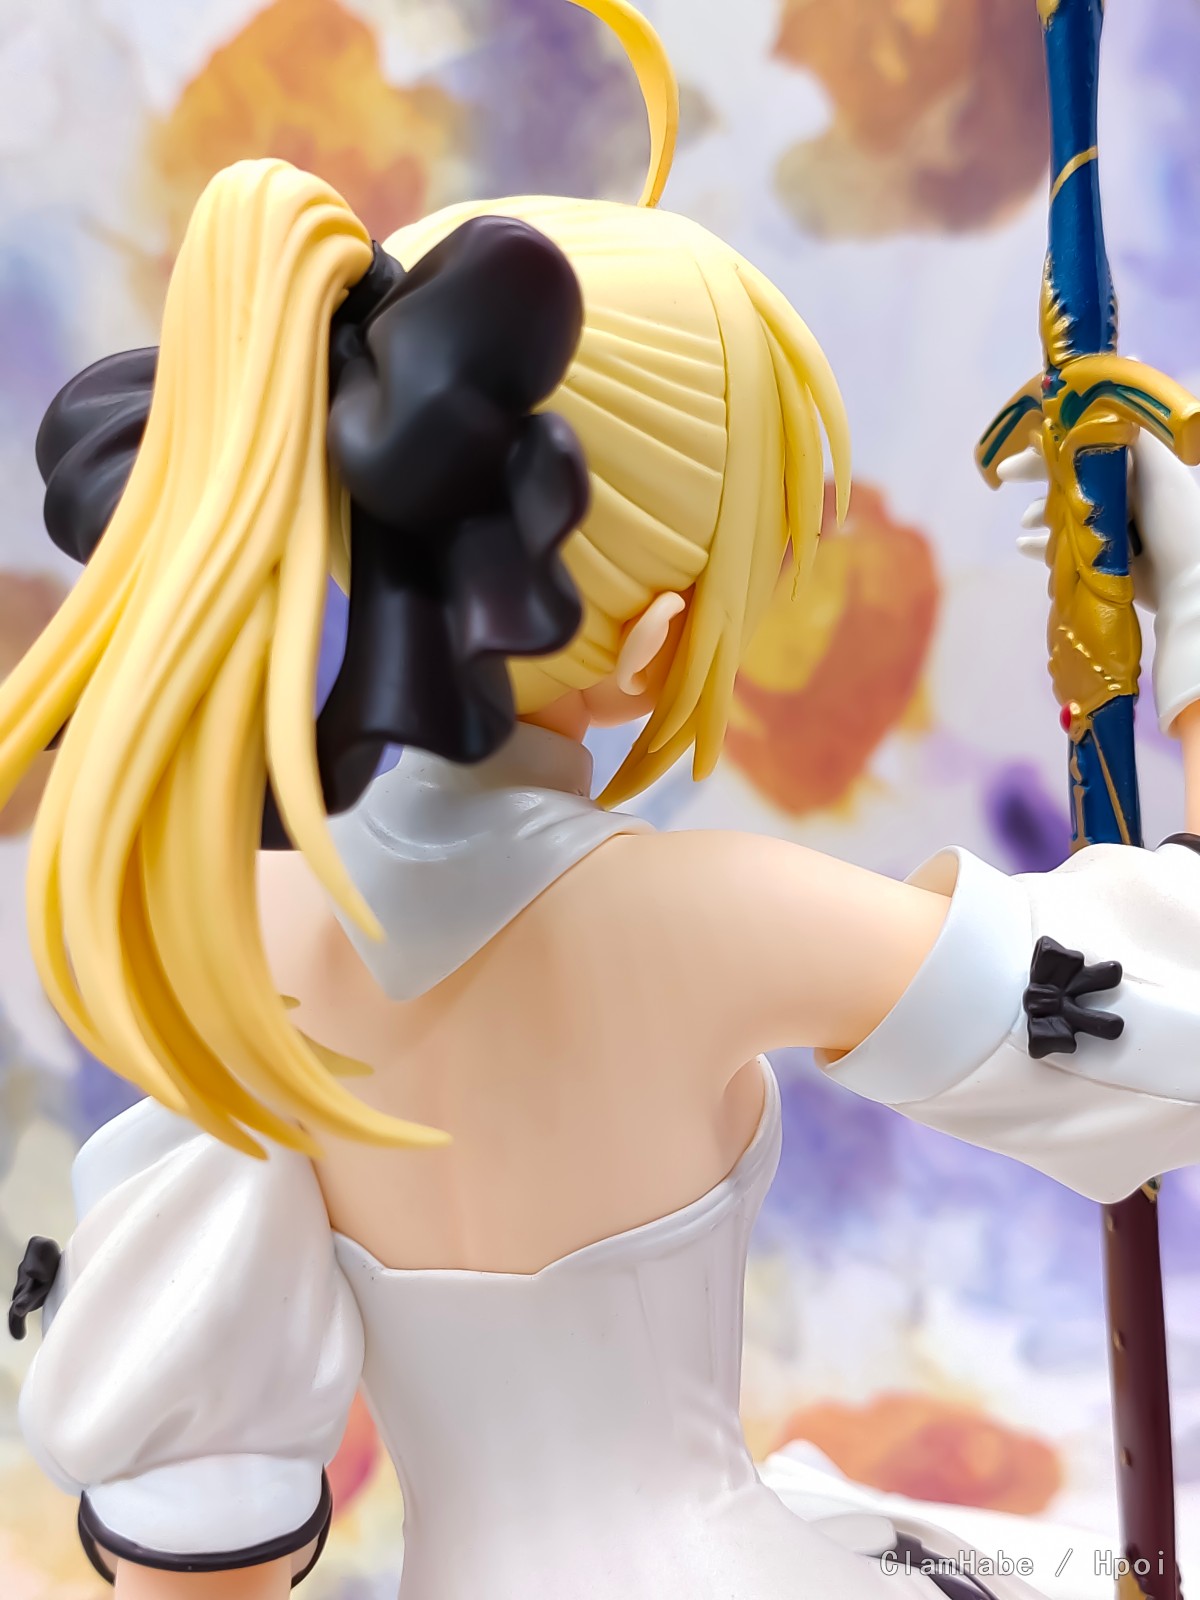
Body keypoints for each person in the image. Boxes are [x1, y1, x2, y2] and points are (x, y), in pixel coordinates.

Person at [6, 2, 1200, 1595]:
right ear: (652, 640)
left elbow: (201, 1511)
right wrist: (1184, 622)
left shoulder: (248, 939)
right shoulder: (707, 918)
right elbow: (1169, 1020)